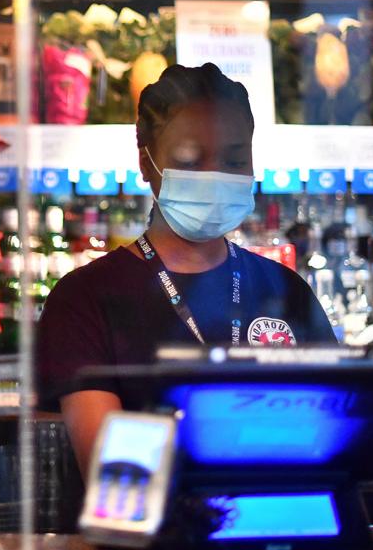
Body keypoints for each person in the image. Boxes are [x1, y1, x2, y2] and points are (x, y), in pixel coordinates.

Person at [37, 63, 338, 477]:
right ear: (147, 165)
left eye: (234, 159)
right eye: (191, 160)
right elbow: (113, 473)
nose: (215, 175)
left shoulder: (285, 290)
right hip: (152, 539)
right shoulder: (84, 299)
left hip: (274, 528)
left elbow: (335, 432)